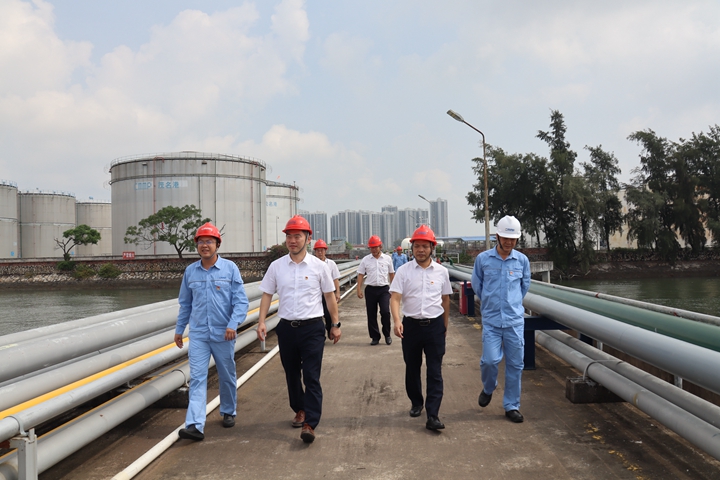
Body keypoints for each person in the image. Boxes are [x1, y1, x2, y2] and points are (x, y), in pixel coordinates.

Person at [257, 215, 341, 444]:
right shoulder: (276, 267)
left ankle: (310, 423)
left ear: (308, 239)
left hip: (312, 328)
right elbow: (267, 294)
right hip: (286, 328)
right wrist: (261, 321)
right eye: (289, 236)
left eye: (297, 236)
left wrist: (335, 324)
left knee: (311, 376)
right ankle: (299, 408)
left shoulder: (319, 267)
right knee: (292, 373)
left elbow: (329, 296)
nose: (292, 241)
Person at [175, 222, 249, 441]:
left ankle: (228, 410)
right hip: (198, 334)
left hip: (223, 333)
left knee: (227, 375)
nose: (204, 245)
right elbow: (185, 304)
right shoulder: (190, 271)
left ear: (217, 244)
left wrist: (232, 324)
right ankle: (195, 425)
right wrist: (179, 329)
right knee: (197, 378)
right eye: (201, 241)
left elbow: (241, 302)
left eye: (209, 241)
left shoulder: (230, 269)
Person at [390, 225, 452, 431]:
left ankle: (433, 414)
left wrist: (444, 325)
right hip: (411, 326)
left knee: (435, 370)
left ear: (432, 248)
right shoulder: (403, 271)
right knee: (412, 367)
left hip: (434, 326)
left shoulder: (442, 272)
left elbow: (445, 299)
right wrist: (397, 320)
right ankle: (416, 402)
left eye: (425, 246)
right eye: (417, 246)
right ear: (412, 248)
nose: (421, 250)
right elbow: (395, 298)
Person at [471, 215, 531, 423]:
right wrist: (491, 304)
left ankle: (511, 405)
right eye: (505, 238)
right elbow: (477, 285)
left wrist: (512, 305)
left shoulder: (522, 261)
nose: (509, 242)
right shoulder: (483, 259)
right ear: (497, 236)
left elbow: (524, 286)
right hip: (492, 321)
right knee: (489, 361)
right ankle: (489, 387)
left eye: (512, 239)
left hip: (514, 322)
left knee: (515, 365)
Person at [357, 235, 395, 345]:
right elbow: (360, 274)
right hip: (370, 290)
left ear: (380, 247)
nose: (373, 250)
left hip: (384, 290)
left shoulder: (387, 259)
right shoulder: (366, 260)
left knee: (385, 312)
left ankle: (387, 335)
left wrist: (394, 289)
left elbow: (391, 274)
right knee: (371, 314)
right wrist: (358, 289)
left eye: (375, 247)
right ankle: (375, 337)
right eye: (371, 248)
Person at [313, 239, 341, 339]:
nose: (320, 252)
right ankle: (320, 336)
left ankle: (330, 330)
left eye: (322, 250)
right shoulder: (312, 264)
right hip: (316, 294)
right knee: (316, 317)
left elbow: (335, 279)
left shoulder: (331, 264)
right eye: (318, 250)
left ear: (325, 251)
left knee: (328, 315)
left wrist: (337, 293)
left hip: (328, 294)